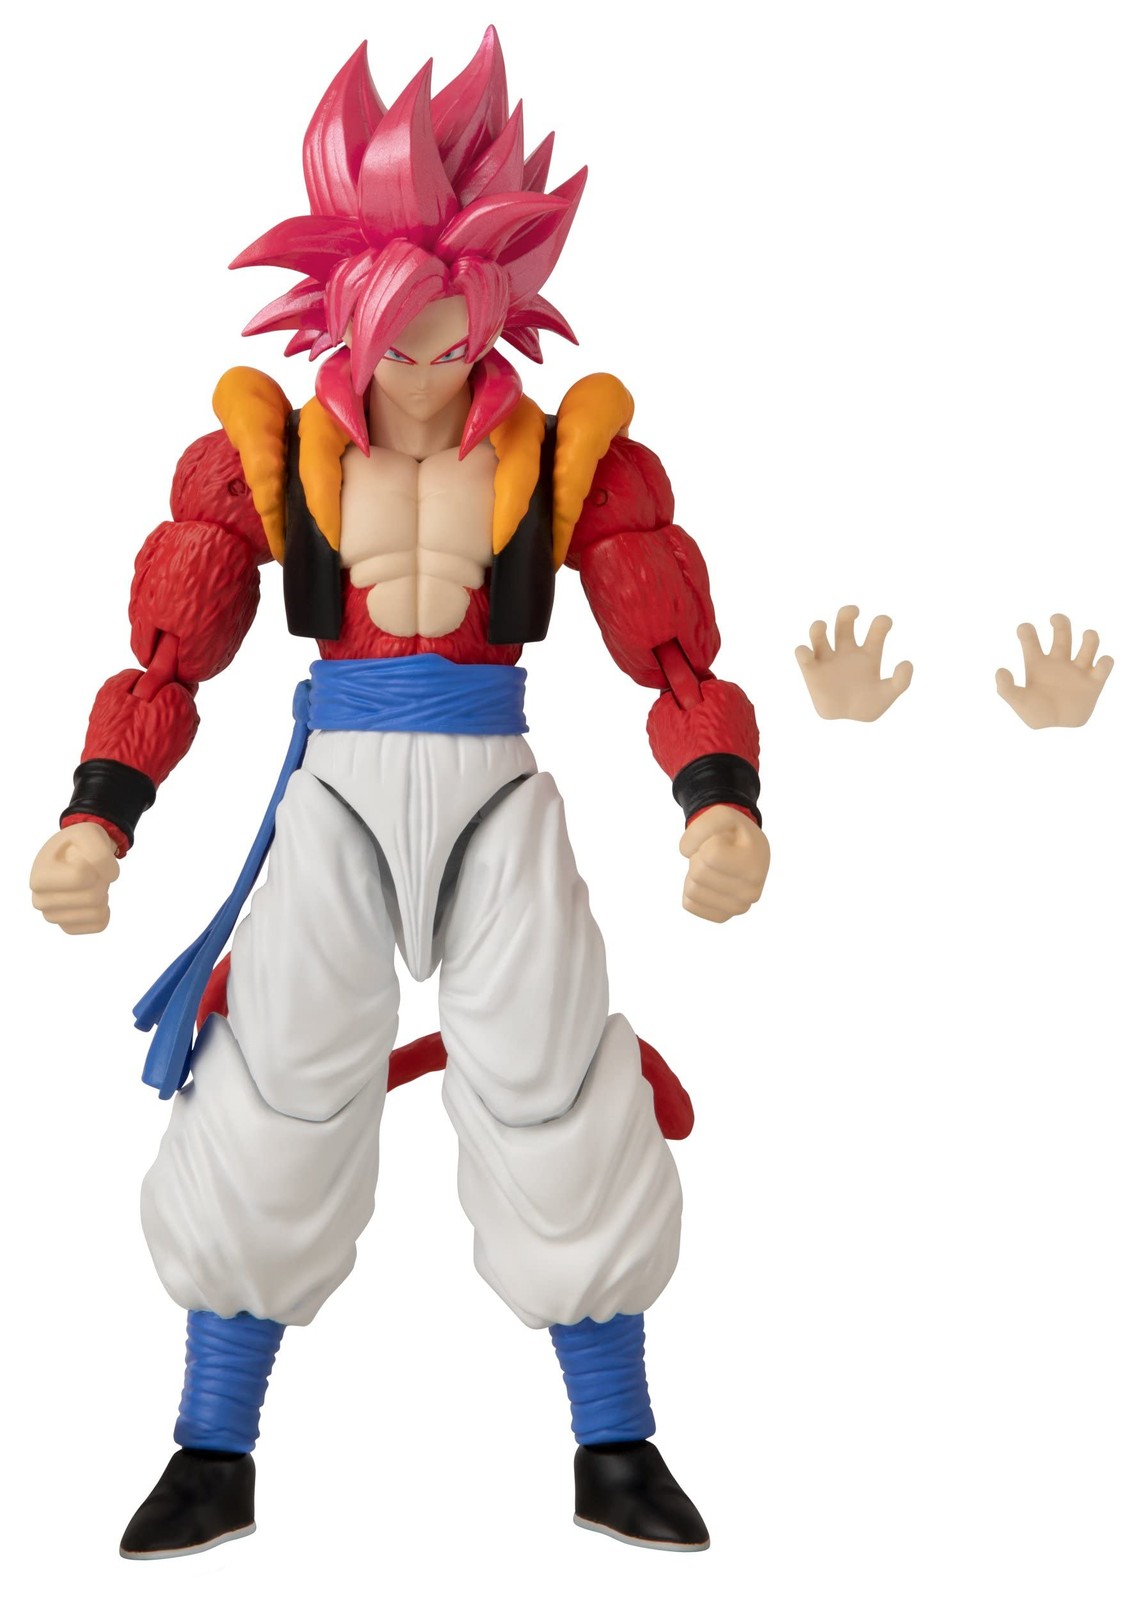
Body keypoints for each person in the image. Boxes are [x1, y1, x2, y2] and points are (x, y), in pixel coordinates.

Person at [29, 29, 769, 1559]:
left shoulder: (565, 453)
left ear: (501, 317)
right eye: (401, 339)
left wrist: (716, 798)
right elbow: (171, 646)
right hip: (341, 787)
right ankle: (213, 1447)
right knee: (275, 1083)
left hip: (495, 781)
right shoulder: (266, 452)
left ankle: (615, 1441)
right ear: (344, 318)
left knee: (555, 1080)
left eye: (457, 338)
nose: (430, 373)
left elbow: (669, 640)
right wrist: (100, 815)